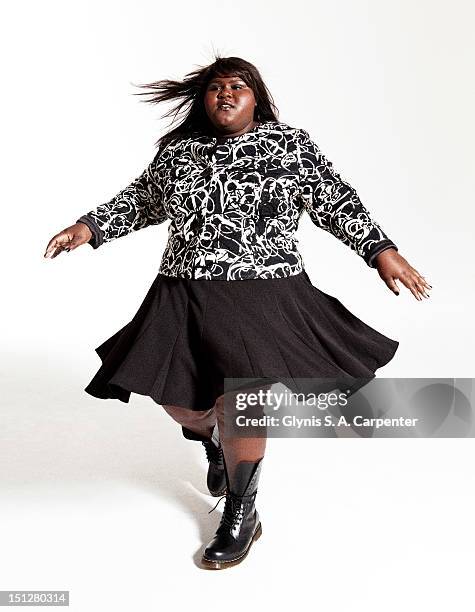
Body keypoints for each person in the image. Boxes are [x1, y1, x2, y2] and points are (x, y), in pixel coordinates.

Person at [44, 55, 432, 570]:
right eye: (214, 88)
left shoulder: (289, 145)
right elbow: (140, 200)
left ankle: (242, 513)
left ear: (256, 97)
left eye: (238, 86)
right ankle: (211, 441)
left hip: (262, 294)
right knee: (181, 403)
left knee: (244, 401)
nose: (225, 95)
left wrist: (381, 251)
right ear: (203, 100)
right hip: (182, 292)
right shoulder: (178, 153)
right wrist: (87, 228)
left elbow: (337, 200)